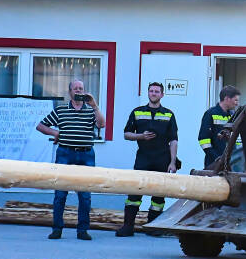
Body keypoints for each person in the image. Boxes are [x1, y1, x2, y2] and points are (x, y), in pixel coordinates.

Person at [36, 80, 105, 240]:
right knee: (60, 194)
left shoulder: (90, 111)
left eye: (81, 88)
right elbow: (41, 126)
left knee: (85, 195)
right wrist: (55, 134)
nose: (79, 91)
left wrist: (94, 105)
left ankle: (82, 230)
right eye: (76, 89)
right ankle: (57, 229)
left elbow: (102, 124)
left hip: (86, 155)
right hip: (65, 154)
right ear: (70, 93)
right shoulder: (61, 110)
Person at [116, 82, 178, 237]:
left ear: (162, 94)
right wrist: (141, 136)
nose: (154, 93)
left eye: (157, 91)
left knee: (158, 195)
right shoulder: (137, 112)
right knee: (134, 193)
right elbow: (126, 134)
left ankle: (153, 228)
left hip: (162, 158)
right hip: (143, 157)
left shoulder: (169, 114)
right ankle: (128, 226)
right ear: (148, 93)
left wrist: (172, 162)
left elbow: (174, 140)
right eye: (151, 91)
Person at [198, 85, 240, 168]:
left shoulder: (232, 115)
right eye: (235, 100)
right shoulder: (210, 114)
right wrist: (217, 158)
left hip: (231, 163)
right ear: (227, 98)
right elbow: (203, 140)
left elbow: (235, 140)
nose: (237, 103)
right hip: (213, 163)